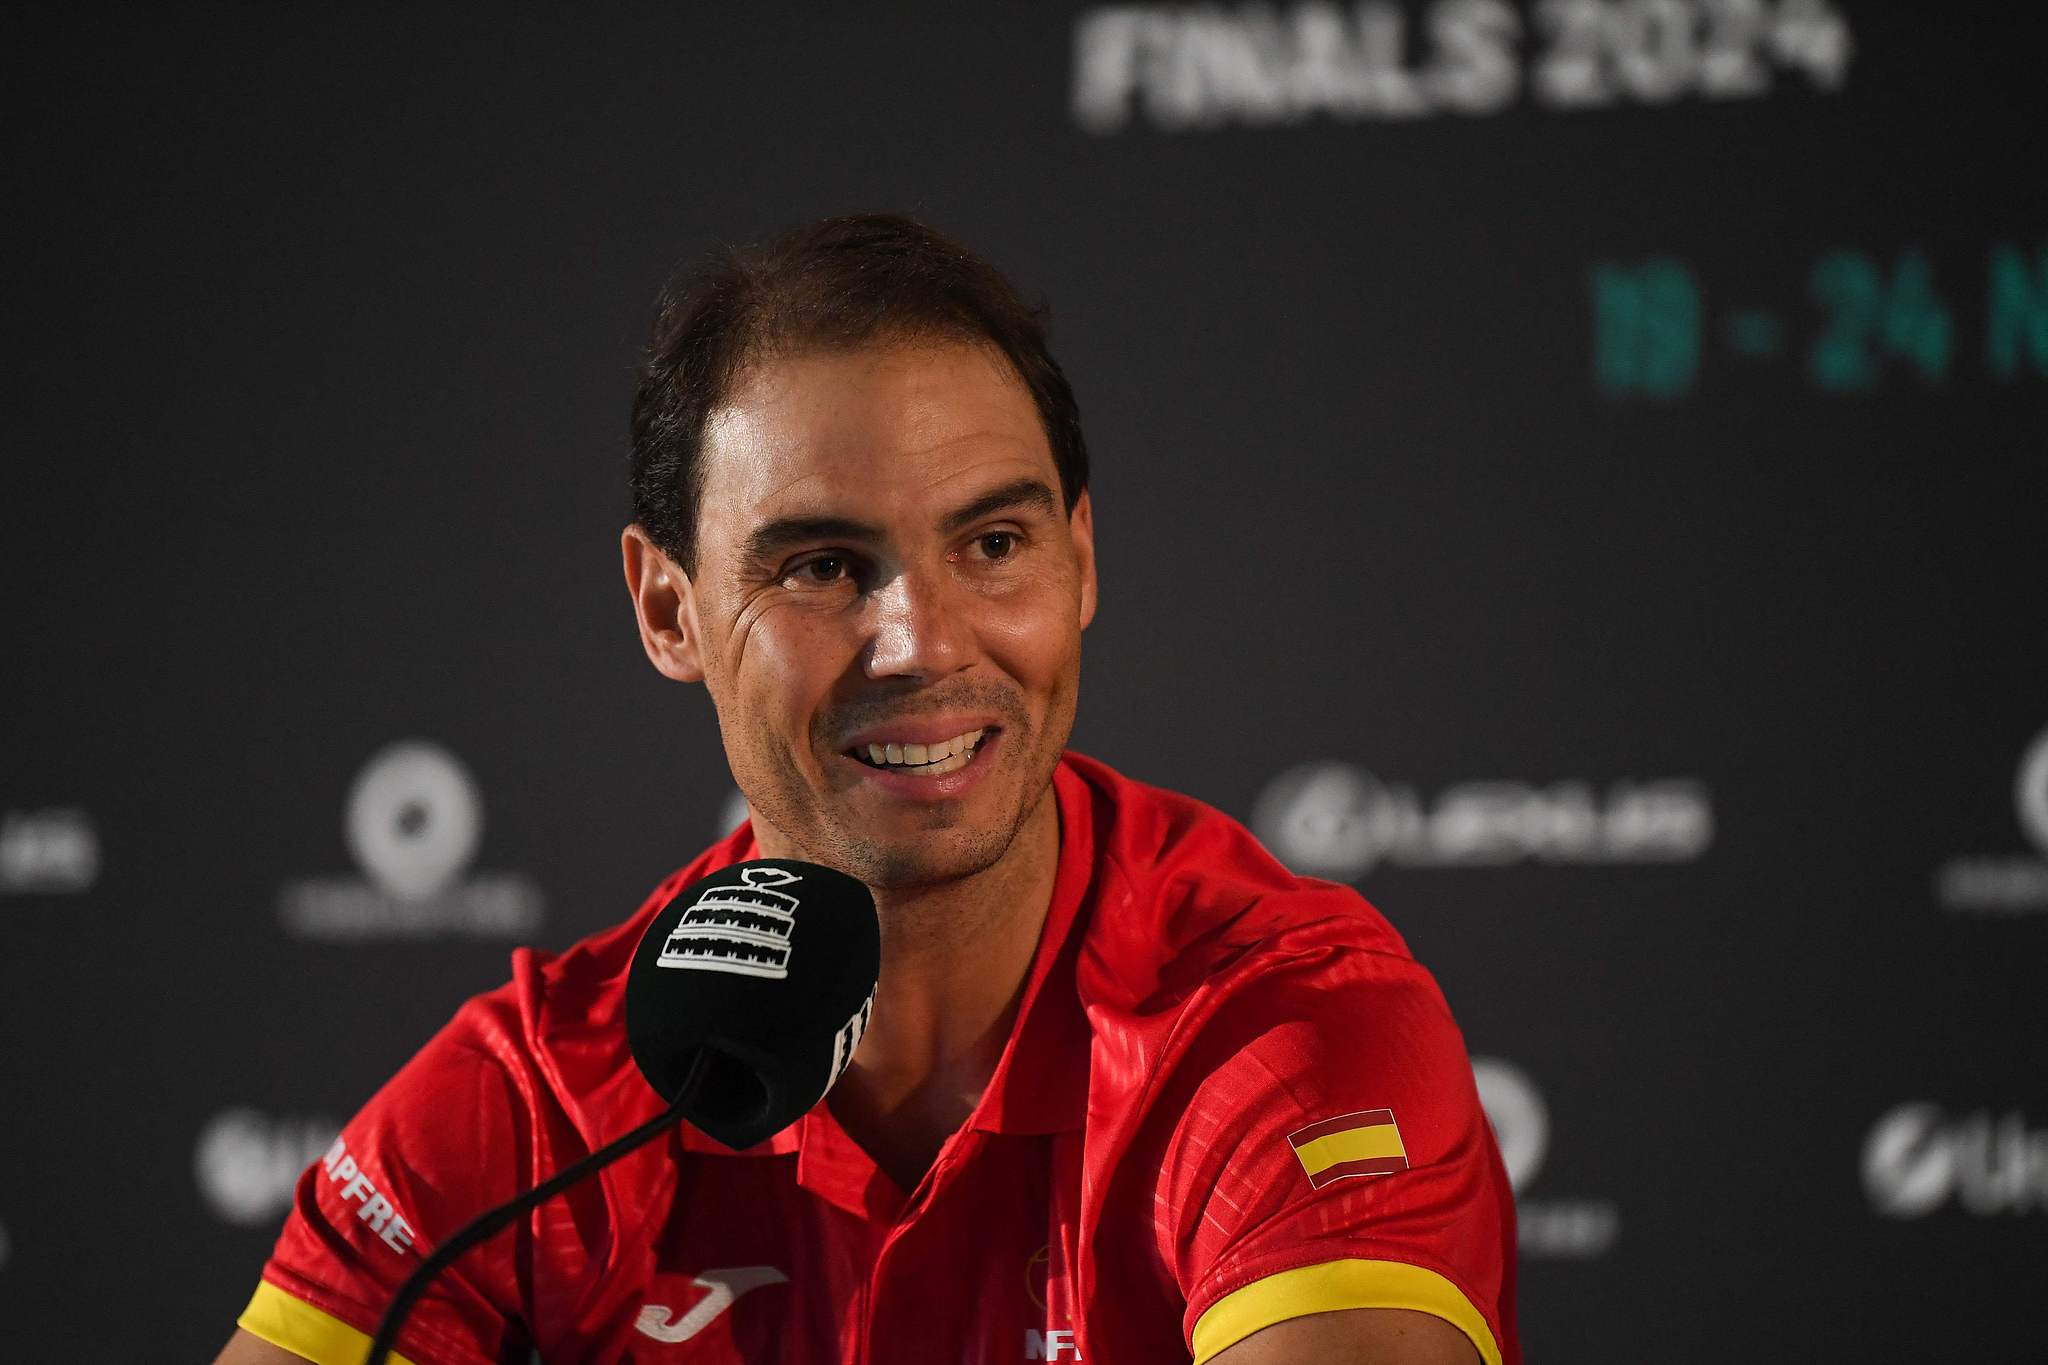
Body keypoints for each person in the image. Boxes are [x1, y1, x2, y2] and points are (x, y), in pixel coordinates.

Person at [216, 214, 1519, 1365]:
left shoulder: (1279, 1034)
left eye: (993, 544)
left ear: (1080, 560)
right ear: (667, 608)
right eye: (826, 566)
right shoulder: (546, 1102)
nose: (924, 641)